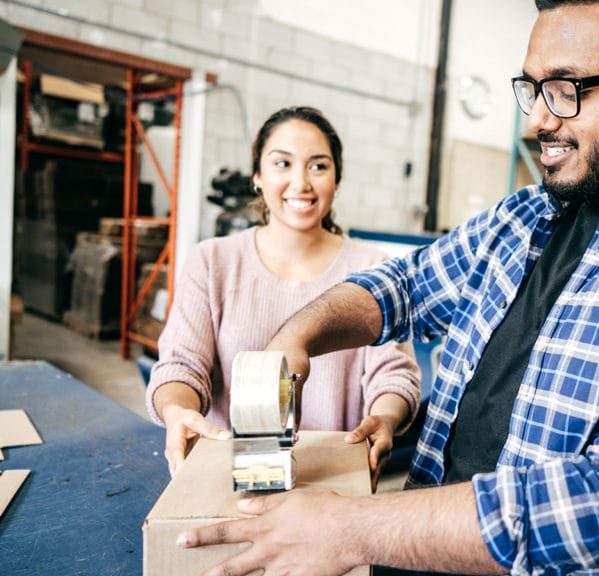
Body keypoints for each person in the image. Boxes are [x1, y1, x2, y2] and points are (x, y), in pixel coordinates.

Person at [176, 2, 599, 576]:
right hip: (424, 571)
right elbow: (399, 288)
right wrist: (300, 334)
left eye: (567, 89)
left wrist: (350, 527)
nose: (538, 119)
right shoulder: (524, 218)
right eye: (532, 89)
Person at [146, 106, 421, 488]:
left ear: (337, 180)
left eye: (318, 166)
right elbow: (181, 365)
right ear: (257, 177)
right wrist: (178, 412)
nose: (301, 182)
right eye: (283, 163)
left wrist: (386, 417)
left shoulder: (372, 268)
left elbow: (393, 375)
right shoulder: (212, 262)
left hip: (331, 481)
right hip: (233, 479)